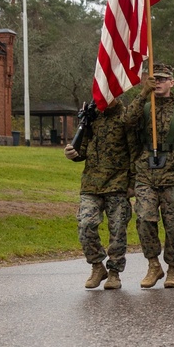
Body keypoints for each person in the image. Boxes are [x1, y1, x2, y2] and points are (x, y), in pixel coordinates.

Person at [123, 63, 174, 289]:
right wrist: (142, 94)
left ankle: (172, 268)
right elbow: (127, 122)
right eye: (155, 79)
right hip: (146, 174)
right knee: (144, 221)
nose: (159, 83)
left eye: (163, 79)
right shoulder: (142, 107)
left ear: (172, 82)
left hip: (173, 175)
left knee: (172, 225)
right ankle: (153, 265)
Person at [64, 99, 134, 290]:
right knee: (85, 225)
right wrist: (73, 153)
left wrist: (132, 183)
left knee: (118, 230)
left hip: (118, 183)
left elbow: (135, 153)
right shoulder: (92, 117)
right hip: (91, 184)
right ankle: (97, 266)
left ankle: (114, 273)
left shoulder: (126, 117)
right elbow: (83, 149)